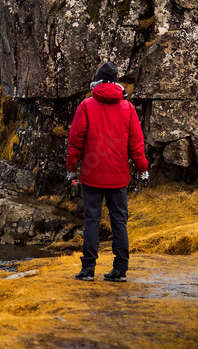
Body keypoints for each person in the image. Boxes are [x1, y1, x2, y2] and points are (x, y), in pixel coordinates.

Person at [66, 61, 149, 282]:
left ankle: (88, 270)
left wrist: (72, 170)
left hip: (92, 175)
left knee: (92, 220)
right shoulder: (128, 108)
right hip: (118, 176)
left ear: (98, 81)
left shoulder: (86, 106)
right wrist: (142, 169)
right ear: (116, 82)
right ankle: (120, 270)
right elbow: (136, 144)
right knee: (119, 221)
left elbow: (75, 141)